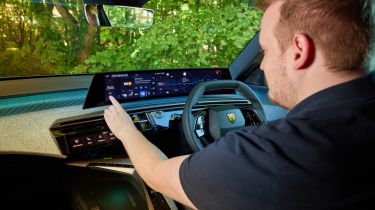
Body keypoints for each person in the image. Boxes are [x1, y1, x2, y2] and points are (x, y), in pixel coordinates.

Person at [104, 0, 375, 209]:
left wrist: (126, 130)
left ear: (299, 51)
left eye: (265, 51)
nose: (264, 65)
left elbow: (153, 173)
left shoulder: (265, 157)